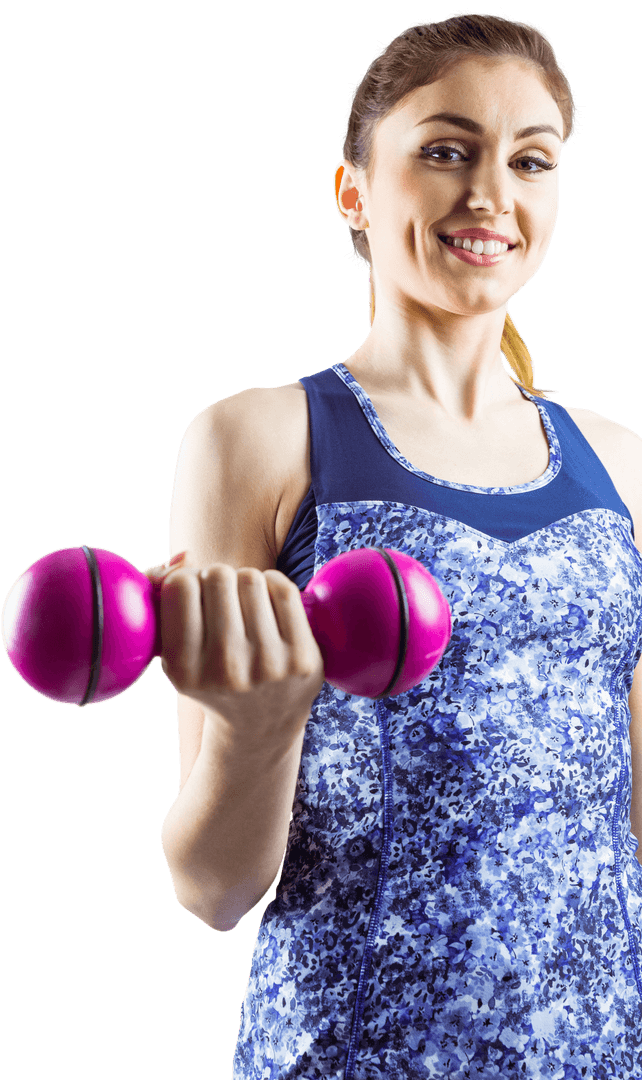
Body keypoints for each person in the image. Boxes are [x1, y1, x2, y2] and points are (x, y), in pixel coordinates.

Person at [147, 12, 642, 1077]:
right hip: (352, 1053)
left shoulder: (624, 468)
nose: (491, 195)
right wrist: (260, 724)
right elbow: (213, 890)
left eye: (530, 160)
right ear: (355, 193)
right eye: (446, 150)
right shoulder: (263, 439)